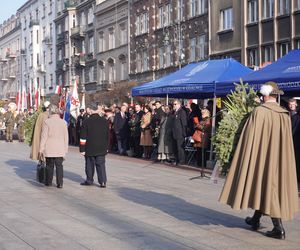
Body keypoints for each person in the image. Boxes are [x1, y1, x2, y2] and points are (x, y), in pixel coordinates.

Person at [219, 82, 298, 240]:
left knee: (268, 186)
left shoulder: (259, 112)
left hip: (262, 156)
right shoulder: (284, 114)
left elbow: (249, 137)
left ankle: (278, 228)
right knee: (266, 186)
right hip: (278, 158)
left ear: (266, 94)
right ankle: (255, 219)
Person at [80, 103, 109, 187]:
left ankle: (89, 180)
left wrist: (82, 148)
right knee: (101, 165)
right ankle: (103, 181)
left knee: (89, 164)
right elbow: (107, 135)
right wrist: (107, 147)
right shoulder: (104, 120)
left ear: (91, 110)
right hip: (101, 147)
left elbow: (83, 136)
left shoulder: (86, 121)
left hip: (90, 147)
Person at [39, 105, 68, 188]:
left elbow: (44, 136)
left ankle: (48, 182)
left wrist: (41, 149)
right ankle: (60, 183)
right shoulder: (63, 122)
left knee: (49, 165)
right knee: (59, 166)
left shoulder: (47, 122)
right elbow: (66, 137)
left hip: (49, 147)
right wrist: (65, 149)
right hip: (60, 147)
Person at [287, 98, 300, 187]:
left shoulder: (298, 118)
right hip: (288, 143)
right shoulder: (286, 116)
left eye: (293, 104)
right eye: (290, 104)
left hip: (296, 143)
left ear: (296, 105)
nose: (291, 106)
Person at [172, 99, 187, 165]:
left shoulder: (182, 112)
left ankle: (182, 161)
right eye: (173, 104)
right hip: (174, 132)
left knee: (180, 148)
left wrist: (184, 133)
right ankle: (176, 159)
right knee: (175, 147)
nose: (174, 105)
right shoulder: (174, 112)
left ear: (179, 104)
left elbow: (184, 123)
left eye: (175, 104)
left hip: (180, 133)